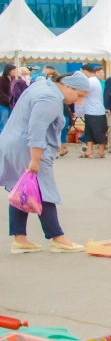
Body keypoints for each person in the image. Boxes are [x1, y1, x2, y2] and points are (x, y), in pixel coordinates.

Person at [0, 71, 91, 253]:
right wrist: (35, 159)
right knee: (44, 189)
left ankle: (20, 239)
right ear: (67, 86)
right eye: (79, 95)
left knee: (22, 189)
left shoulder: (41, 87)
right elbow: (36, 130)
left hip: (13, 142)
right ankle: (58, 238)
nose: (78, 100)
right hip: (26, 147)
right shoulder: (50, 97)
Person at [80, 64, 107, 159]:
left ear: (85, 71)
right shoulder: (94, 80)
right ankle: (89, 150)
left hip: (95, 111)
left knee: (98, 132)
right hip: (90, 111)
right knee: (89, 132)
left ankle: (101, 152)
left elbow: (84, 93)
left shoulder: (91, 81)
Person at [0, 63, 13, 134]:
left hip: (10, 104)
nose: (15, 71)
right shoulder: (1, 80)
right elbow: (1, 93)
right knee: (3, 121)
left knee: (10, 121)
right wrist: (9, 99)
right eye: (13, 70)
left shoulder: (13, 80)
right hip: (3, 104)